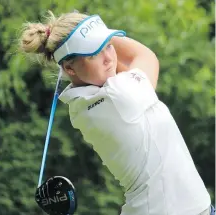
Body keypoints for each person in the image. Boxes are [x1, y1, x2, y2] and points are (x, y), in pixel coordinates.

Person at [20, 11, 214, 215]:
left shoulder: (82, 103)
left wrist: (94, 35)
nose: (107, 58)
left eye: (108, 46)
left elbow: (116, 66)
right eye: (93, 53)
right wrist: (105, 35)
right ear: (69, 68)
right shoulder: (119, 96)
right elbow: (145, 57)